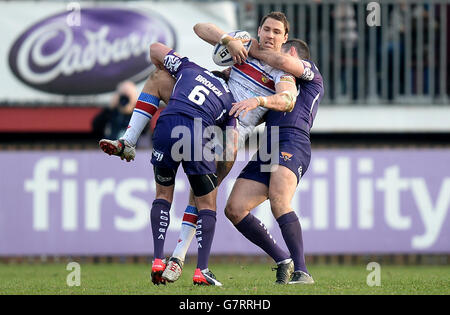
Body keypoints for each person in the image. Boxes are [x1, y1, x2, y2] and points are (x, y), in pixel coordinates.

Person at [160, 12, 299, 283]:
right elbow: (199, 26)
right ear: (259, 31)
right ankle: (129, 137)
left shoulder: (282, 71)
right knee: (161, 78)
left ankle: (178, 257)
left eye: (276, 32)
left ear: (284, 38)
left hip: (230, 133)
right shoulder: (243, 45)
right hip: (207, 116)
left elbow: (287, 99)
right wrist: (228, 39)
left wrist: (259, 101)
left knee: (201, 194)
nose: (270, 35)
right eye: (266, 29)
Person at [99, 42, 238, 286]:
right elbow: (230, 146)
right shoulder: (230, 100)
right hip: (197, 133)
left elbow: (154, 48)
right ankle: (201, 270)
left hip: (166, 125)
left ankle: (156, 260)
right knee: (206, 202)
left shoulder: (189, 69)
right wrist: (218, 173)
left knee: (163, 194)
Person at [226, 39, 324, 284]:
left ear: (291, 53)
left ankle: (303, 272)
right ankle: (283, 259)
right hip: (267, 146)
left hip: (293, 140)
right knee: (235, 209)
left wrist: (253, 50)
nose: (270, 59)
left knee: (279, 200)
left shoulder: (310, 74)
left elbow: (279, 61)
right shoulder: (272, 83)